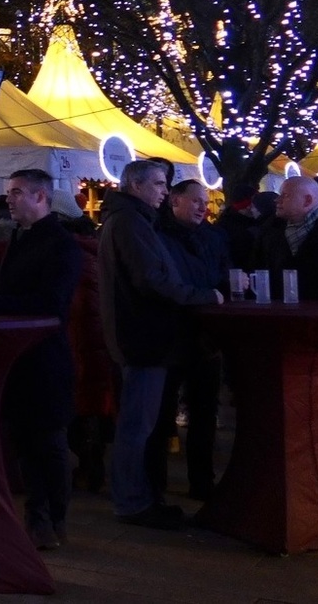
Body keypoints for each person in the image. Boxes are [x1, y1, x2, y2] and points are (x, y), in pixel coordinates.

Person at [0, 169, 82, 549]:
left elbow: (51, 302)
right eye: (8, 192)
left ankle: (53, 519)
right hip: (18, 357)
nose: (8, 199)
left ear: (40, 196)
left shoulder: (61, 244)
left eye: (16, 192)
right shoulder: (19, 237)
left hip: (45, 358)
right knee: (26, 442)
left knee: (49, 442)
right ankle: (36, 517)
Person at [98, 160, 221, 530]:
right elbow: (151, 279)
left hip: (142, 336)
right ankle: (133, 502)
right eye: (157, 184)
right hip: (143, 338)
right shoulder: (130, 222)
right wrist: (201, 296)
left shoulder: (132, 219)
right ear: (135, 186)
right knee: (138, 426)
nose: (164, 191)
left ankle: (139, 497)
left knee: (140, 424)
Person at [152, 179, 229, 502]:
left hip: (205, 338)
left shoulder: (212, 237)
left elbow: (222, 276)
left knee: (204, 411)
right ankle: (155, 484)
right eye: (196, 201)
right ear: (175, 201)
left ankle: (202, 480)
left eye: (205, 202)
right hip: (169, 335)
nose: (203, 207)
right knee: (162, 413)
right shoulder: (157, 236)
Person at [55, 188, 114, 495]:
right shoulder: (92, 246)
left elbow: (74, 303)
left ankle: (88, 469)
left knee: (80, 404)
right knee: (91, 403)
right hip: (96, 336)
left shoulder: (67, 251)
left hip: (76, 337)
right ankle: (93, 467)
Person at [253, 176, 318, 300]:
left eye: (285, 195)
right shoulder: (270, 229)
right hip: (279, 309)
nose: (277, 200)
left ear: (307, 201)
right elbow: (257, 268)